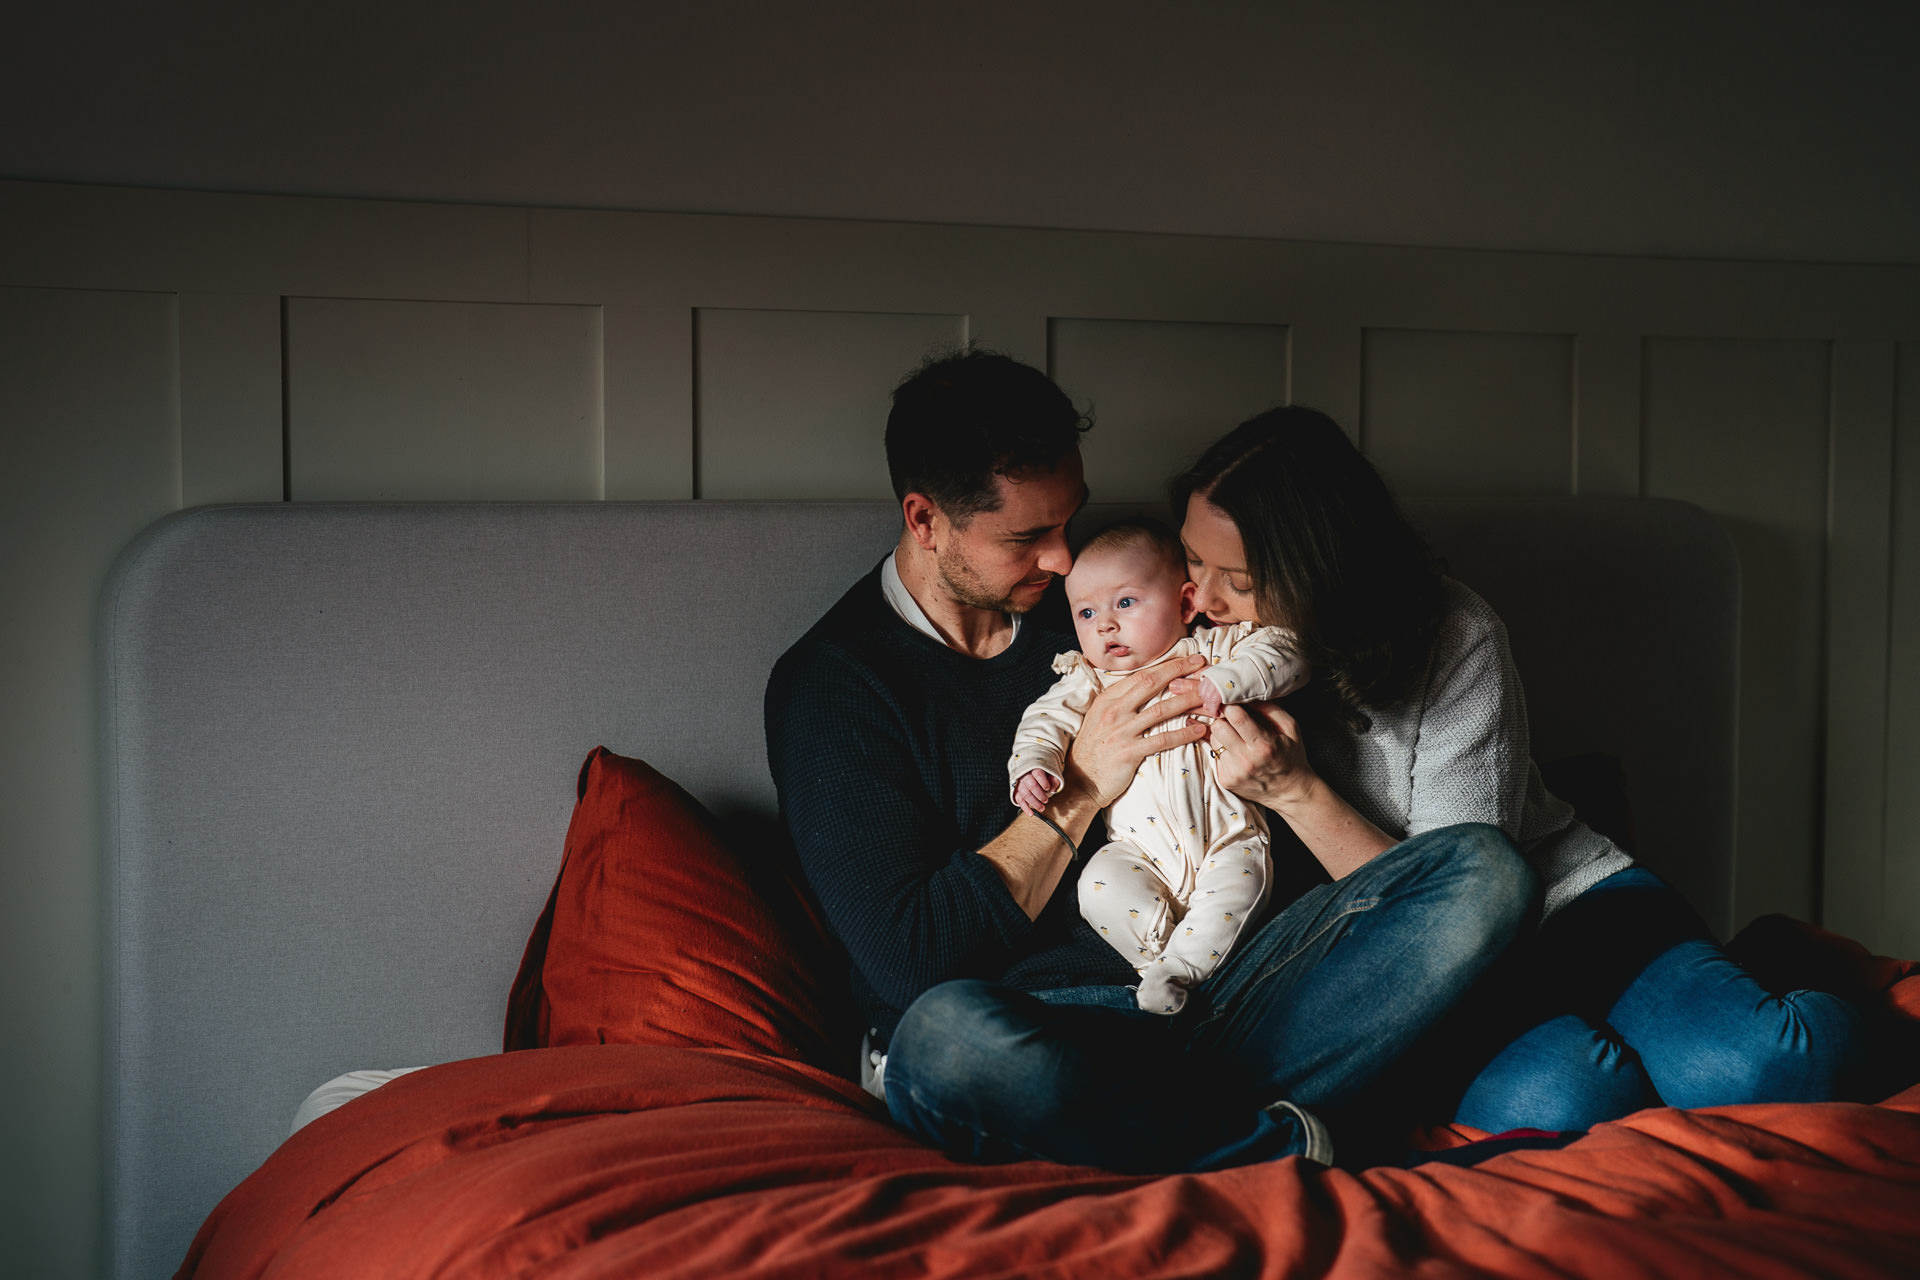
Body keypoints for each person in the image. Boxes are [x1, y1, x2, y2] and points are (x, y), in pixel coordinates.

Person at [764, 349, 1534, 1175]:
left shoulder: (1117, 594)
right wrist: (1083, 787)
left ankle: (1162, 1130)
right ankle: (1270, 1141)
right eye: (1029, 538)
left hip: (1231, 986)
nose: (1065, 563)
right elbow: (913, 955)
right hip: (1050, 1028)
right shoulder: (834, 691)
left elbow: (1270, 656)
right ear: (925, 521)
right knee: (942, 1048)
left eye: (1072, 521)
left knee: (1483, 871)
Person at [1173, 404, 1869, 1134]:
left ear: (1321, 570)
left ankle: (1775, 979)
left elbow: (1466, 895)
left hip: (1563, 903)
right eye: (1192, 560)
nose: (1204, 599)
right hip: (1423, 982)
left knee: (1769, 1065)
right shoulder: (1176, 639)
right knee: (1574, 1101)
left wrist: (1296, 793)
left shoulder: (1452, 632)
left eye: (1241, 580)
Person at [1007, 519, 1307, 1015]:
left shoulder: (1211, 650)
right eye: (1086, 612)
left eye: (1125, 603)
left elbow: (1289, 653)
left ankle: (1180, 972)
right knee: (1099, 886)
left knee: (1238, 886)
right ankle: (1162, 971)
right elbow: (1043, 721)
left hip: (1226, 837)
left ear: (1186, 604)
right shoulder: (1090, 680)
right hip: (1137, 851)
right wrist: (1035, 765)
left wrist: (1228, 682)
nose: (1104, 624)